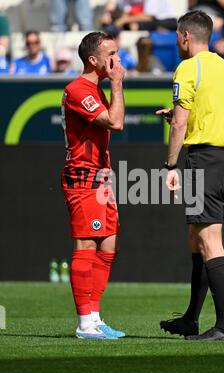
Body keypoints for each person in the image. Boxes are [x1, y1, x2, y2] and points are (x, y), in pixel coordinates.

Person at [157, 10, 224, 341]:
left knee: (209, 239)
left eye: (178, 36)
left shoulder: (188, 67)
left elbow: (180, 123)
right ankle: (191, 318)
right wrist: (186, 121)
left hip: (205, 159)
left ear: (185, 37)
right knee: (197, 237)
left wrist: (170, 165)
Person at [61, 31, 126, 339]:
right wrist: (117, 82)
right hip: (82, 175)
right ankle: (84, 323)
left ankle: (95, 317)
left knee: (108, 245)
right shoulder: (77, 89)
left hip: (101, 175)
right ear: (93, 60)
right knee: (87, 244)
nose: (117, 59)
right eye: (111, 54)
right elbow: (116, 122)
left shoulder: (96, 89)